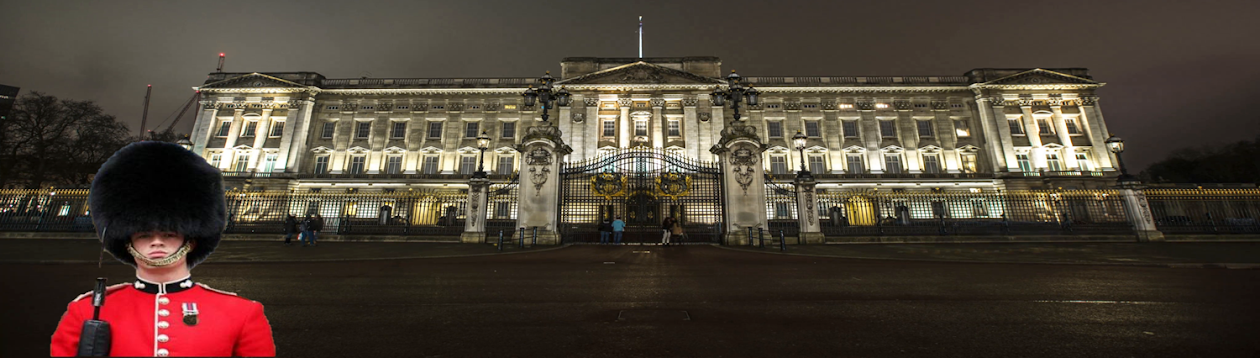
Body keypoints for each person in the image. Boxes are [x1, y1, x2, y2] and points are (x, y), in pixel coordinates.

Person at [50, 141, 275, 357]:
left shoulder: (242, 313)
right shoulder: (86, 311)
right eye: (144, 235)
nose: (156, 242)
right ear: (128, 243)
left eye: (169, 234)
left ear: (191, 242)